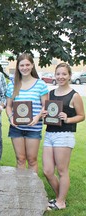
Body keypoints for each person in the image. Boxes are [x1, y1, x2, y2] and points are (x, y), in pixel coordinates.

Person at [42, 63, 85, 210]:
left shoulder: (74, 95)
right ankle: (60, 197)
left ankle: (60, 202)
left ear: (69, 76)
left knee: (62, 170)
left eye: (64, 74)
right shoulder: (51, 94)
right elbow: (48, 114)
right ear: (55, 75)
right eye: (58, 74)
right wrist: (44, 115)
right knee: (47, 171)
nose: (61, 77)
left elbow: (81, 116)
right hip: (49, 134)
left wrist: (67, 119)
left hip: (64, 135)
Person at [5, 53, 48, 173]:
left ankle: (32, 189)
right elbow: (8, 106)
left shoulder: (40, 84)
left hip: (34, 127)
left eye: (27, 65)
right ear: (18, 67)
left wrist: (37, 117)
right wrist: (11, 118)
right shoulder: (12, 85)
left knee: (32, 160)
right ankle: (21, 188)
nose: (25, 67)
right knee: (20, 159)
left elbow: (45, 106)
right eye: (22, 65)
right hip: (16, 128)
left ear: (32, 65)